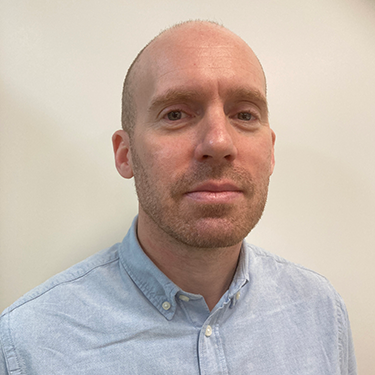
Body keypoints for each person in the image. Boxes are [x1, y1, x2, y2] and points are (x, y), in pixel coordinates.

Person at [0, 21, 356, 374]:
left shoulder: (320, 311)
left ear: (271, 152)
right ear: (125, 155)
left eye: (245, 115)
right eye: (175, 114)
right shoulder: (29, 345)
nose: (219, 143)